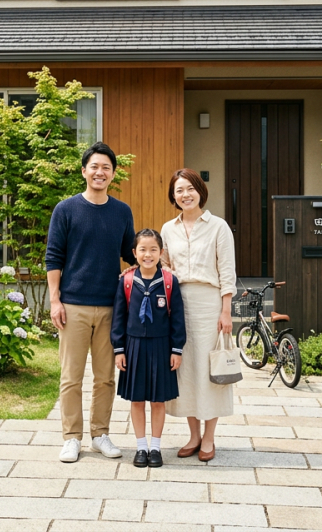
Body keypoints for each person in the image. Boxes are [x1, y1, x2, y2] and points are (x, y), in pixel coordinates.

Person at [45, 141, 137, 463]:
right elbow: (53, 257)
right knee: (71, 376)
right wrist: (55, 301)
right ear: (84, 171)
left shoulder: (122, 211)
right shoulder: (66, 209)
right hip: (73, 306)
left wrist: (158, 261)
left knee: (105, 377)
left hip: (111, 306)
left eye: (106, 168)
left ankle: (100, 435)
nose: (100, 172)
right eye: (94, 167)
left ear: (112, 174)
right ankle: (72, 438)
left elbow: (130, 254)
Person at [161, 168, 237, 463]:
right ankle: (193, 435)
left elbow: (227, 270)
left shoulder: (218, 227)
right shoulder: (168, 229)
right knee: (185, 371)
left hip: (210, 304)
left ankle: (209, 437)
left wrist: (226, 310)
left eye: (190, 188)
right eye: (179, 190)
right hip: (179, 305)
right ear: (173, 196)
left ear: (200, 191)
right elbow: (165, 267)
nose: (185, 195)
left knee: (210, 371)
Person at [111, 229, 186, 468]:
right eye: (142, 249)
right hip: (133, 347)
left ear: (161, 252)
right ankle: (140, 446)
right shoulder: (127, 281)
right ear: (134, 253)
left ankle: (156, 446)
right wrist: (119, 349)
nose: (148, 254)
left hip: (161, 347)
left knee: (158, 401)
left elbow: (178, 319)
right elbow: (118, 318)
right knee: (136, 400)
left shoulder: (169, 281)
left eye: (153, 249)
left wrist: (177, 349)